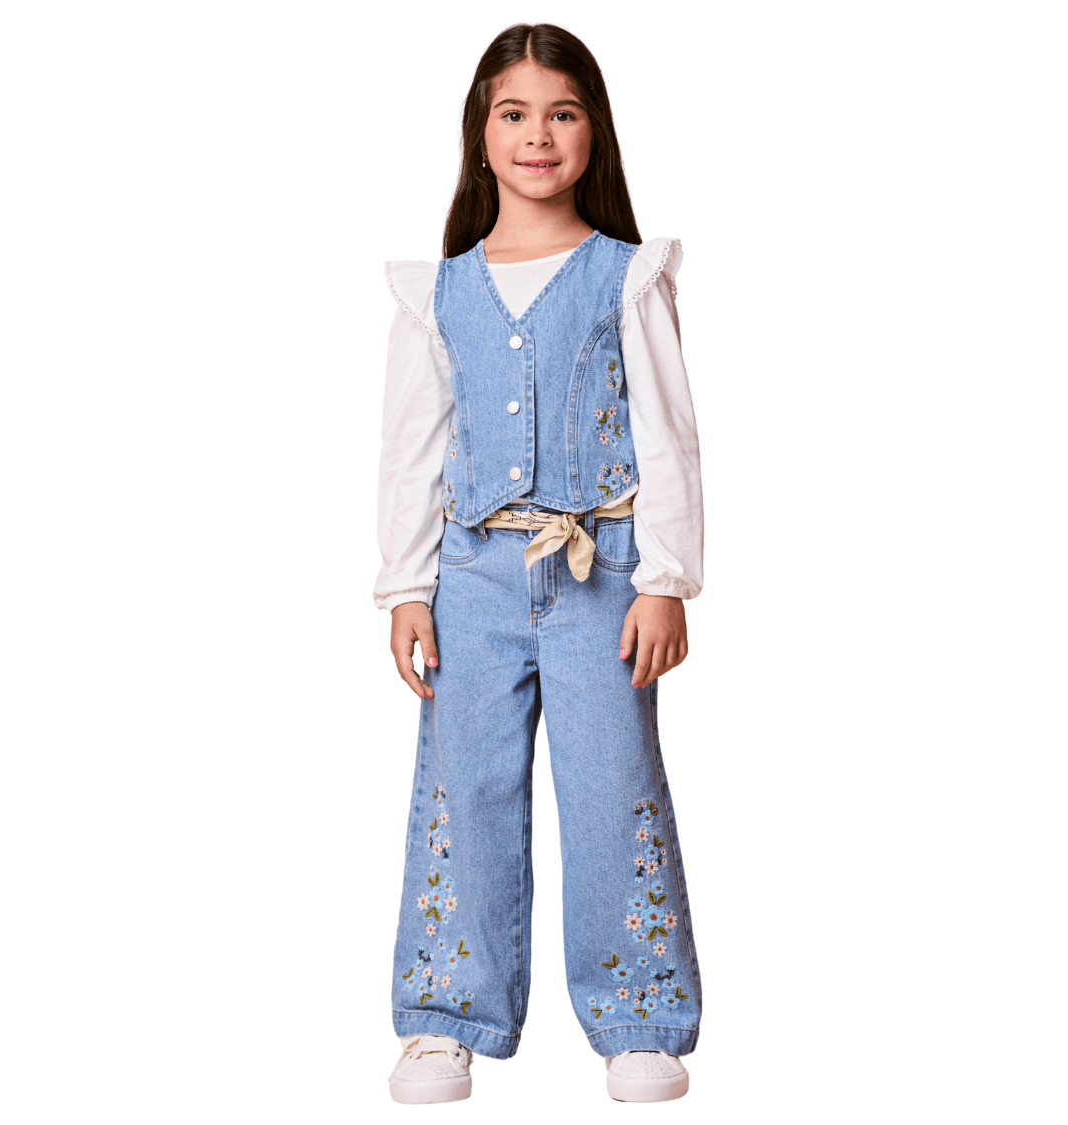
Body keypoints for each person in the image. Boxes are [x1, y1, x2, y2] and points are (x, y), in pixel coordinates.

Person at [374, 23, 704, 1104]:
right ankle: (445, 1015)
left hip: (600, 575)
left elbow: (667, 437)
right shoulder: (441, 292)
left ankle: (639, 1015)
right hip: (471, 580)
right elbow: (413, 447)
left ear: (593, 131)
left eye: (562, 113)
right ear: (480, 133)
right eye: (513, 113)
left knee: (612, 786)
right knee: (461, 788)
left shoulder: (625, 278)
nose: (537, 134)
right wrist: (404, 587)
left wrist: (665, 579)